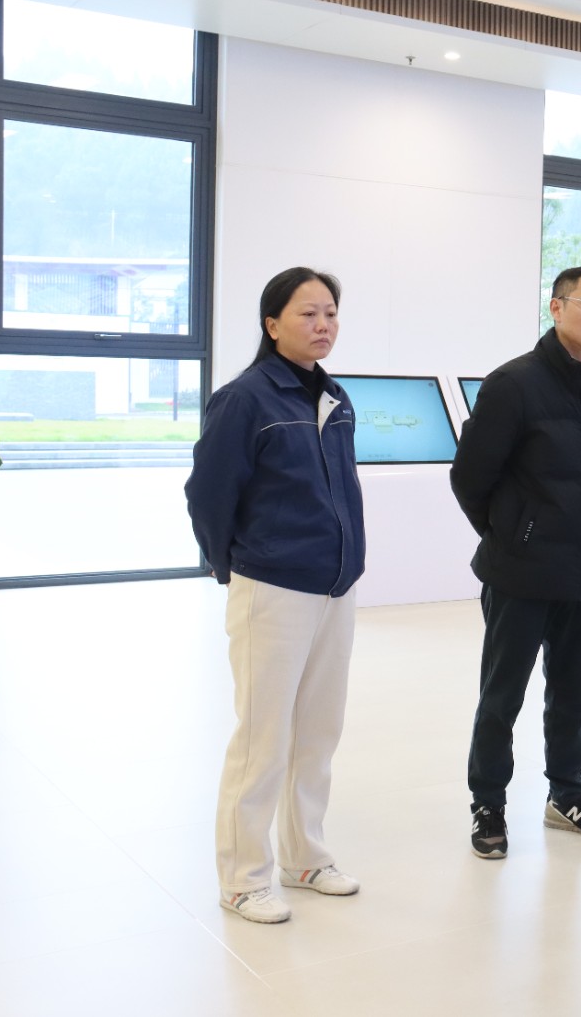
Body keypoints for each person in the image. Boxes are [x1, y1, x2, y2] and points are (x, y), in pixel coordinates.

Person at [185, 267, 366, 923]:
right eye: (307, 314)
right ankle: (242, 878)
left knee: (318, 732)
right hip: (273, 585)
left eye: (330, 313)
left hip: (335, 586)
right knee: (263, 738)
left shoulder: (335, 397)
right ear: (272, 324)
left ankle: (305, 856)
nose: (323, 325)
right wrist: (232, 565)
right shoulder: (245, 399)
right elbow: (208, 494)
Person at [451, 267, 581, 858]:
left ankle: (566, 794)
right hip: (519, 571)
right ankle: (488, 803)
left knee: (573, 694)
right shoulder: (513, 384)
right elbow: (469, 477)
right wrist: (513, 534)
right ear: (556, 307)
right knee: (502, 697)